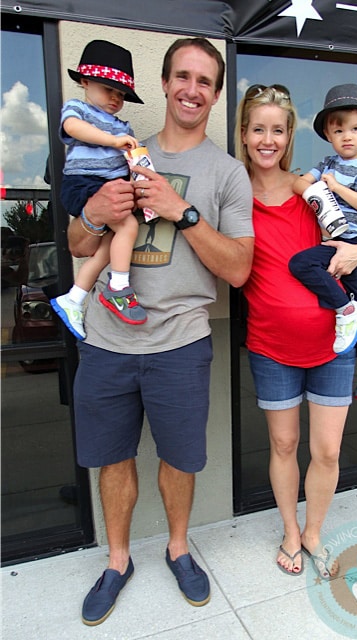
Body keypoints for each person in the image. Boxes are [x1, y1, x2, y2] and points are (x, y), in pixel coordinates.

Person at [66, 37, 254, 625]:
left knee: (178, 459)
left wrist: (182, 210)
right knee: (113, 458)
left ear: (216, 93)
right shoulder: (120, 149)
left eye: (204, 80)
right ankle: (117, 561)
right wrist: (95, 209)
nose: (191, 89)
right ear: (167, 82)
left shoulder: (227, 173)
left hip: (180, 342)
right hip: (106, 339)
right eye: (182, 76)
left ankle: (178, 549)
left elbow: (239, 269)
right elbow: (77, 245)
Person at [234, 83, 357, 579]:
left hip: (331, 344)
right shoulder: (233, 195)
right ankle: (290, 532)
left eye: (277, 129)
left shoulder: (309, 191)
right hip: (271, 347)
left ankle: (314, 533)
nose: (267, 139)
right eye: (258, 129)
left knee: (328, 450)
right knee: (283, 445)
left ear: (289, 135)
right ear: (245, 134)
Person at [291, 84, 357, 399]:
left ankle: (343, 310)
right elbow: (299, 183)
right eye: (338, 130)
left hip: (350, 237)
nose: (347, 136)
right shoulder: (327, 163)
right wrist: (312, 187)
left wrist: (335, 187)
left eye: (354, 128)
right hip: (332, 235)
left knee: (301, 264)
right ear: (328, 134)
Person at [51, 39, 146, 341]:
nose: (115, 99)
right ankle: (119, 286)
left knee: (109, 247)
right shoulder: (79, 109)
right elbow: (73, 129)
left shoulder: (122, 125)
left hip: (109, 185)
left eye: (120, 94)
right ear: (85, 81)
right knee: (128, 226)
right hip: (85, 183)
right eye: (108, 90)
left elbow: (128, 161)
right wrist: (114, 141)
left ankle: (75, 297)